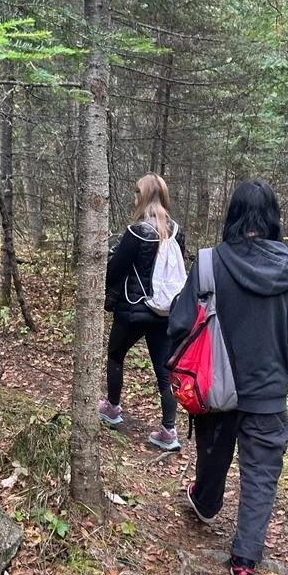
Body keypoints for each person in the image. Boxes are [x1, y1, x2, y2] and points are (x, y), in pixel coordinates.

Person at [168, 179, 288, 575]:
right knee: (261, 474)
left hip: (215, 387)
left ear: (232, 215)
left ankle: (207, 501)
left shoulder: (210, 262)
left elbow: (180, 323)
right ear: (272, 218)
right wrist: (286, 371)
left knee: (214, 451)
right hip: (267, 394)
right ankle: (245, 563)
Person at [99, 173, 186, 451]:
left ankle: (112, 408)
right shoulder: (176, 231)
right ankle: (169, 431)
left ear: (144, 196)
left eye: (137, 192)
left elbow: (114, 271)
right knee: (164, 370)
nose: (134, 197)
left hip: (133, 309)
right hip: (164, 312)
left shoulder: (136, 231)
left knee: (115, 355)